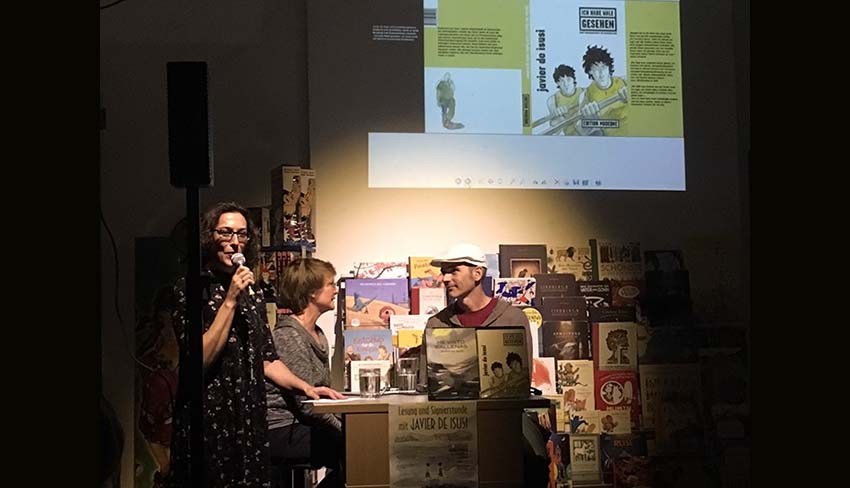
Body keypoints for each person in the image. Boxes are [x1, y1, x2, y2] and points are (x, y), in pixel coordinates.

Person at [167, 202, 342, 488]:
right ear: (209, 237)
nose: (234, 242)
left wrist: (305, 387)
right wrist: (231, 298)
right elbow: (200, 359)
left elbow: (267, 359)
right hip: (211, 415)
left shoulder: (255, 292)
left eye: (242, 235)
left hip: (248, 415)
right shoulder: (191, 289)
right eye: (225, 233)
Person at [423, 243, 549, 487]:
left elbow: (521, 377)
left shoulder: (513, 318)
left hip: (505, 416)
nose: (445, 278)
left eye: (453, 271)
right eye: (444, 272)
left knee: (534, 461)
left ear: (477, 274)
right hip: (454, 419)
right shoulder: (436, 324)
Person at [267, 257, 347, 487]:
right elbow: (306, 404)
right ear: (312, 292)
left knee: (361, 443)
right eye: (330, 284)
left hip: (303, 423)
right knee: (356, 447)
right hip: (282, 427)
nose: (335, 290)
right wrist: (344, 430)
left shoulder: (318, 334)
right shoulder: (289, 336)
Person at [580, 45, 629, 136]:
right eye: (596, 69)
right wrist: (588, 117)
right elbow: (582, 130)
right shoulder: (587, 95)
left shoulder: (625, 82)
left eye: (603, 67)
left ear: (609, 67)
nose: (601, 73)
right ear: (590, 71)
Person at [546, 65, 586, 135]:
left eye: (568, 79)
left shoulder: (585, 92)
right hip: (570, 138)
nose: (566, 84)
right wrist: (558, 117)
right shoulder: (552, 100)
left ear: (573, 80)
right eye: (562, 81)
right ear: (557, 83)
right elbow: (553, 126)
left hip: (588, 133)